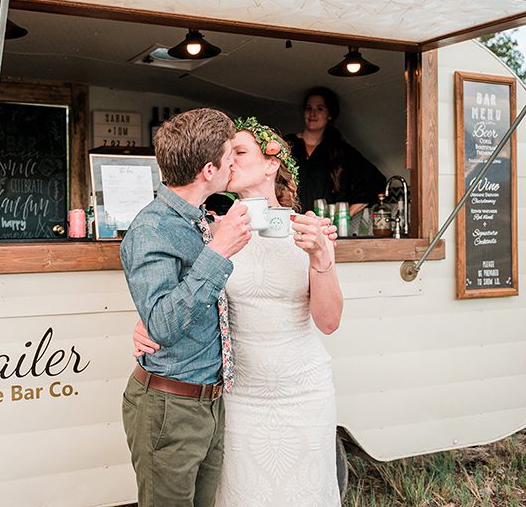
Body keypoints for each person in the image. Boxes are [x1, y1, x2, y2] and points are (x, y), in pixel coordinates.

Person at [134, 117, 344, 506]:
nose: (229, 161)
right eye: (227, 154)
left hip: (303, 391)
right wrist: (145, 321)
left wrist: (320, 256)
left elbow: (329, 322)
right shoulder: (211, 231)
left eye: (239, 152)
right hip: (238, 395)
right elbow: (181, 297)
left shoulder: (310, 229)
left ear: (272, 163)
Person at [118, 108, 252, 506]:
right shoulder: (151, 229)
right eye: (230, 156)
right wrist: (219, 251)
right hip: (169, 408)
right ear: (208, 170)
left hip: (208, 401)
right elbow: (162, 323)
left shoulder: (197, 219)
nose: (234, 163)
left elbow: (166, 310)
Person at [285, 87, 386, 215]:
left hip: (325, 229)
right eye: (308, 108)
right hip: (291, 225)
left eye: (319, 108)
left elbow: (375, 182)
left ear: (330, 115)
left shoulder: (340, 150)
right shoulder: (286, 144)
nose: (312, 113)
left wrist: (344, 216)